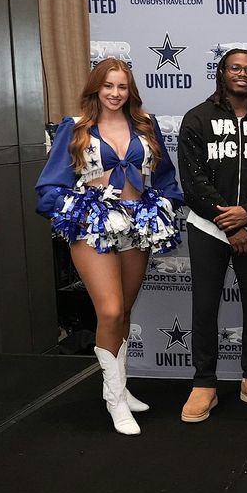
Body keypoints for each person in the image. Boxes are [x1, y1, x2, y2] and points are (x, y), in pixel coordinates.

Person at [35, 58, 183, 436]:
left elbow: (164, 177)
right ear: (95, 89)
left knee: (125, 311)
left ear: (130, 91)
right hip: (94, 227)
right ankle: (114, 399)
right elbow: (50, 185)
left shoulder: (145, 125)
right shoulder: (75, 127)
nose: (115, 93)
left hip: (137, 225)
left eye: (122, 86)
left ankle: (121, 387)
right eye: (108, 86)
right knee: (111, 309)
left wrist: (165, 204)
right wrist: (78, 211)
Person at [177, 49, 247, 423]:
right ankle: (204, 383)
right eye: (235, 67)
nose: (242, 74)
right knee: (205, 306)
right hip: (208, 227)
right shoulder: (197, 118)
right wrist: (231, 223)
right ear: (222, 73)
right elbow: (193, 181)